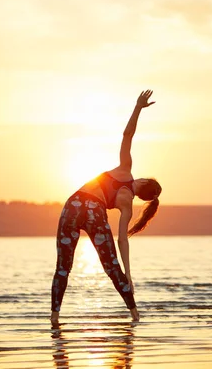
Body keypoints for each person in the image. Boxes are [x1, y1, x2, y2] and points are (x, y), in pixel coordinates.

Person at [50, 90, 162, 326]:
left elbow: (127, 135)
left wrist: (138, 108)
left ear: (143, 182)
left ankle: (55, 318)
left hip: (73, 204)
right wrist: (128, 272)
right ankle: (134, 313)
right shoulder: (128, 207)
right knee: (112, 268)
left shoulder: (125, 169)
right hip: (95, 212)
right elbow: (123, 241)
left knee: (63, 267)